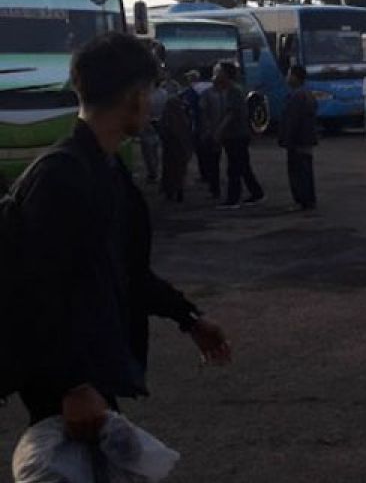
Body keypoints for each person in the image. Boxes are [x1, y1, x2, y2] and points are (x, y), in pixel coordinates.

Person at [7, 32, 232, 435]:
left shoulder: (108, 173)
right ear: (135, 96)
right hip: (64, 393)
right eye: (150, 89)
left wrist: (189, 318)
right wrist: (71, 385)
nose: (151, 101)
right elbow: (31, 292)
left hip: (93, 377)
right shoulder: (60, 177)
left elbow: (127, 272)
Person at [213, 61, 264, 211]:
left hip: (236, 135)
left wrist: (219, 130)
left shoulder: (233, 91)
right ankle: (256, 193)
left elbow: (232, 113)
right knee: (243, 166)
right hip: (237, 134)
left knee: (234, 167)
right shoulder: (230, 90)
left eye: (218, 71)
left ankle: (233, 199)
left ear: (226, 74)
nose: (216, 75)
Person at [279, 64, 319, 211]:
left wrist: (287, 139)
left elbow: (292, 121)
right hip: (307, 139)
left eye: (289, 74)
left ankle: (302, 200)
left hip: (298, 140)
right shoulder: (308, 94)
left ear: (295, 77)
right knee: (306, 170)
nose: (287, 78)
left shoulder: (296, 96)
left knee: (297, 171)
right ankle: (309, 199)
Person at [158, 80, 194, 203]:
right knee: (180, 171)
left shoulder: (167, 119)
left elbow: (163, 130)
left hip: (170, 150)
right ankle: (179, 191)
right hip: (180, 149)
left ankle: (170, 191)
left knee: (170, 170)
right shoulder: (182, 118)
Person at [197, 71, 224, 199]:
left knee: (212, 161)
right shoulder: (224, 93)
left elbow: (203, 114)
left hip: (212, 132)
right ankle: (215, 187)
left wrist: (205, 131)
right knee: (215, 161)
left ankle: (214, 187)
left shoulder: (207, 94)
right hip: (220, 131)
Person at [138, 77, 167, 183]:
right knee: (155, 148)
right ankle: (155, 169)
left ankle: (152, 172)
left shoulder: (147, 95)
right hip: (160, 121)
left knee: (147, 150)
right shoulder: (164, 93)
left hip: (148, 122)